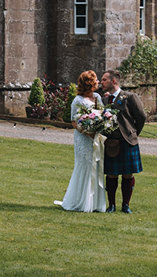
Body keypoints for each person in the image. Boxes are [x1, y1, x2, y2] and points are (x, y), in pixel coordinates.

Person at [58, 70, 107, 212]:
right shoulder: (78, 100)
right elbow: (74, 121)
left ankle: (95, 203)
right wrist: (87, 132)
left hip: (96, 138)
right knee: (84, 166)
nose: (98, 82)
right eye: (96, 80)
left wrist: (100, 127)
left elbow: (103, 114)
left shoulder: (97, 97)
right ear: (89, 83)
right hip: (83, 138)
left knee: (96, 166)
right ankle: (80, 201)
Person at [100, 69, 146, 213]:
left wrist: (132, 133)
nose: (101, 83)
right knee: (111, 174)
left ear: (113, 81)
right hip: (111, 142)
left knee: (128, 174)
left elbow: (141, 117)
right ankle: (111, 205)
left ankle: (126, 205)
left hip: (127, 141)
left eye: (104, 80)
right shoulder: (104, 100)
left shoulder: (130, 97)